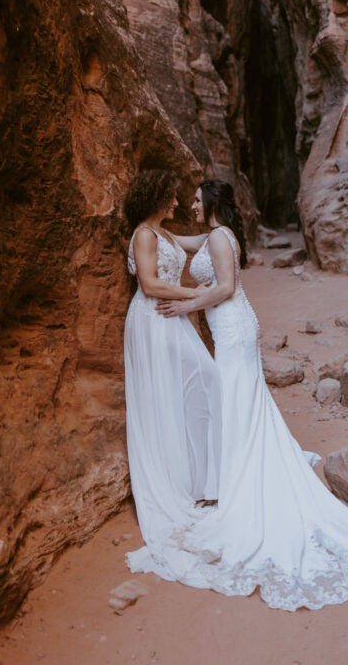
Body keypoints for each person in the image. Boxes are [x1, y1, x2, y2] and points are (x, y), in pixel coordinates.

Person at [125, 179, 348, 610]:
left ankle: (242, 478)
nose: (189, 203)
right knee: (234, 399)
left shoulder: (222, 239)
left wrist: (188, 304)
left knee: (234, 396)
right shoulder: (211, 235)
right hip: (225, 326)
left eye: (196, 198)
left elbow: (226, 288)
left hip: (232, 327)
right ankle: (232, 473)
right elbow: (177, 241)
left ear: (210, 203)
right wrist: (157, 235)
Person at [122, 170, 222, 565]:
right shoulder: (144, 235)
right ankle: (179, 485)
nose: (178, 203)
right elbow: (148, 284)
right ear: (154, 196)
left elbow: (201, 241)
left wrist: (222, 227)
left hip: (173, 316)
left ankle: (202, 481)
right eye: (171, 197)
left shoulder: (164, 234)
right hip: (153, 317)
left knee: (199, 382)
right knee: (171, 391)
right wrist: (196, 293)